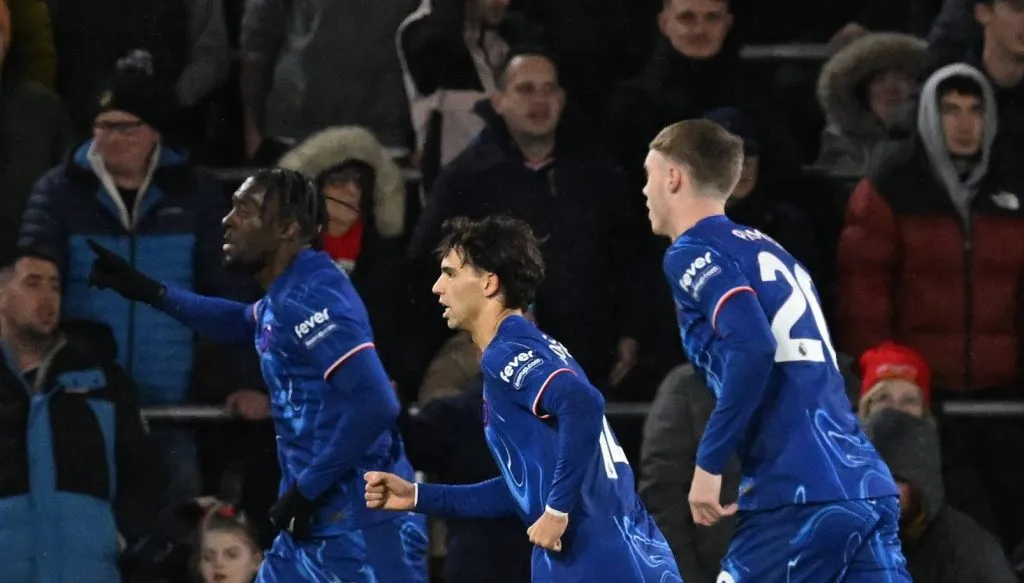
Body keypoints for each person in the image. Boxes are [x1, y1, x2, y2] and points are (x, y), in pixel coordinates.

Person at [85, 168, 427, 582]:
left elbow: (377, 403)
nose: (228, 220)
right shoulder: (288, 293)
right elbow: (244, 322)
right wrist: (154, 293)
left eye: (245, 210)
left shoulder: (314, 298)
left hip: (360, 520)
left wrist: (308, 489)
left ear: (287, 229)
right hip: (324, 512)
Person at [641, 119, 910, 582]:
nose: (644, 191)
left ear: (673, 177)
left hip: (797, 492)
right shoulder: (774, 250)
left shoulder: (692, 250)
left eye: (648, 175)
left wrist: (707, 466)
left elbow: (753, 346)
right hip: (863, 482)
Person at [364, 215, 681, 582]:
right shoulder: (543, 348)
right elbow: (522, 487)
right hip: (633, 552)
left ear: (488, 282)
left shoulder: (506, 352)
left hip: (591, 561)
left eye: (450, 274)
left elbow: (584, 404)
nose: (437, 287)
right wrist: (418, 497)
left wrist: (557, 510)